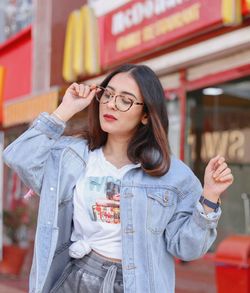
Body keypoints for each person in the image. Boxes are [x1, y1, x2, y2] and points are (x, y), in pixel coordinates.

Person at [3, 64, 233, 293]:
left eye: (125, 100)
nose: (111, 104)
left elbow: (187, 248)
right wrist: (65, 110)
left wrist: (210, 197)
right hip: (76, 277)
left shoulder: (173, 175)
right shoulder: (72, 156)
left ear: (145, 115)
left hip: (138, 283)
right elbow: (18, 156)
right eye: (108, 94)